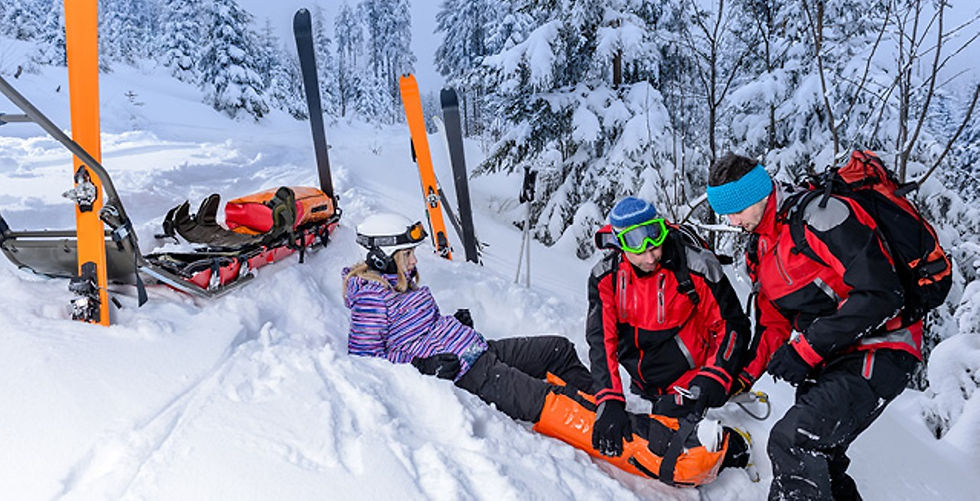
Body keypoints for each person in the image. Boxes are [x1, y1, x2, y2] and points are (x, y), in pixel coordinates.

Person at [344, 211, 749, 486]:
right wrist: (424, 364)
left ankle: (606, 407)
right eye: (407, 255)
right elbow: (365, 360)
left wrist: (449, 326)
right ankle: (682, 452)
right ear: (382, 258)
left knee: (556, 350)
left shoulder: (400, 285)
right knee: (555, 402)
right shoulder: (370, 298)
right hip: (469, 373)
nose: (414, 261)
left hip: (479, 349)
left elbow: (415, 328)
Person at [706, 153, 919, 500]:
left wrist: (805, 349)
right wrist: (739, 379)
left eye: (737, 209)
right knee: (824, 465)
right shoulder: (760, 249)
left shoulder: (819, 217)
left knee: (794, 441)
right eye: (725, 213)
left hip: (881, 349)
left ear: (759, 194)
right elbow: (773, 324)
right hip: (829, 361)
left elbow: (882, 293)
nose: (732, 221)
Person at [587, 196, 751, 457]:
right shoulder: (605, 278)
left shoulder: (696, 266)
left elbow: (732, 325)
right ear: (620, 245)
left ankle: (733, 441)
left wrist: (714, 376)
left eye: (656, 244)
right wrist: (609, 399)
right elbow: (601, 340)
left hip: (691, 379)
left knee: (671, 439)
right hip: (642, 381)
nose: (651, 256)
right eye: (639, 250)